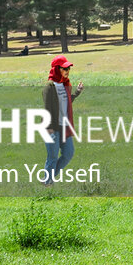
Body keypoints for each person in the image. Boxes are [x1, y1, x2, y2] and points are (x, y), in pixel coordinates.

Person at [41, 56, 83, 184]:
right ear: (56, 69)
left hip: (65, 126)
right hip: (52, 127)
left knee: (68, 154)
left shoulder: (65, 84)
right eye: (64, 68)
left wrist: (77, 92)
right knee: (52, 157)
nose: (67, 70)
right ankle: (47, 183)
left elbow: (67, 100)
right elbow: (47, 108)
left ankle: (48, 179)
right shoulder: (49, 86)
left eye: (68, 68)